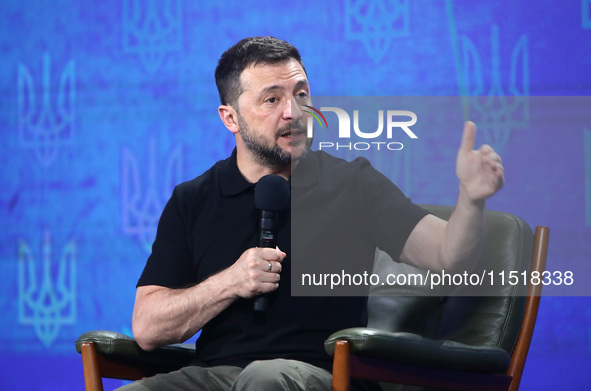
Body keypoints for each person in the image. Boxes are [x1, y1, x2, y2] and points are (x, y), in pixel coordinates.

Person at [122, 36, 504, 390]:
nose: (294, 112)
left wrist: (471, 200)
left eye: (301, 94)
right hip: (217, 377)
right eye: (272, 100)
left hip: (321, 376)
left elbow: (447, 256)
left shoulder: (353, 183)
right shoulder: (192, 199)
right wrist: (231, 282)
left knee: (264, 378)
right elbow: (148, 326)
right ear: (230, 118)